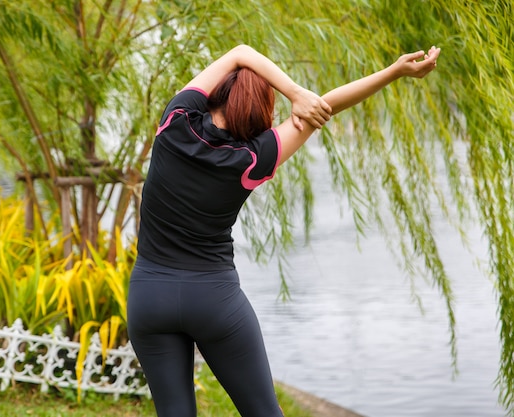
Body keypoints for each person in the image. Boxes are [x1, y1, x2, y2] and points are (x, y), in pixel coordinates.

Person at [127, 44, 441, 417]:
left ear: (219, 92)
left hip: (148, 297)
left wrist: (294, 91)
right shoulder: (252, 159)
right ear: (261, 113)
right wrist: (392, 72)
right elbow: (325, 107)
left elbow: (240, 52)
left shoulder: (175, 121)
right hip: (213, 299)